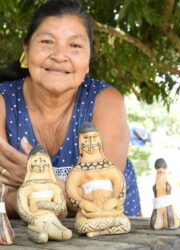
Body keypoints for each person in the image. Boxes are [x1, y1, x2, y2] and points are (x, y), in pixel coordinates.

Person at [0, 0, 141, 217]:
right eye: (47, 42)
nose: (59, 55)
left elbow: (103, 198)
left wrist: (37, 183)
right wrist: (18, 199)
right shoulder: (3, 100)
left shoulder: (106, 101)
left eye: (74, 46)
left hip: (111, 238)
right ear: (26, 52)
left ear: (88, 60)